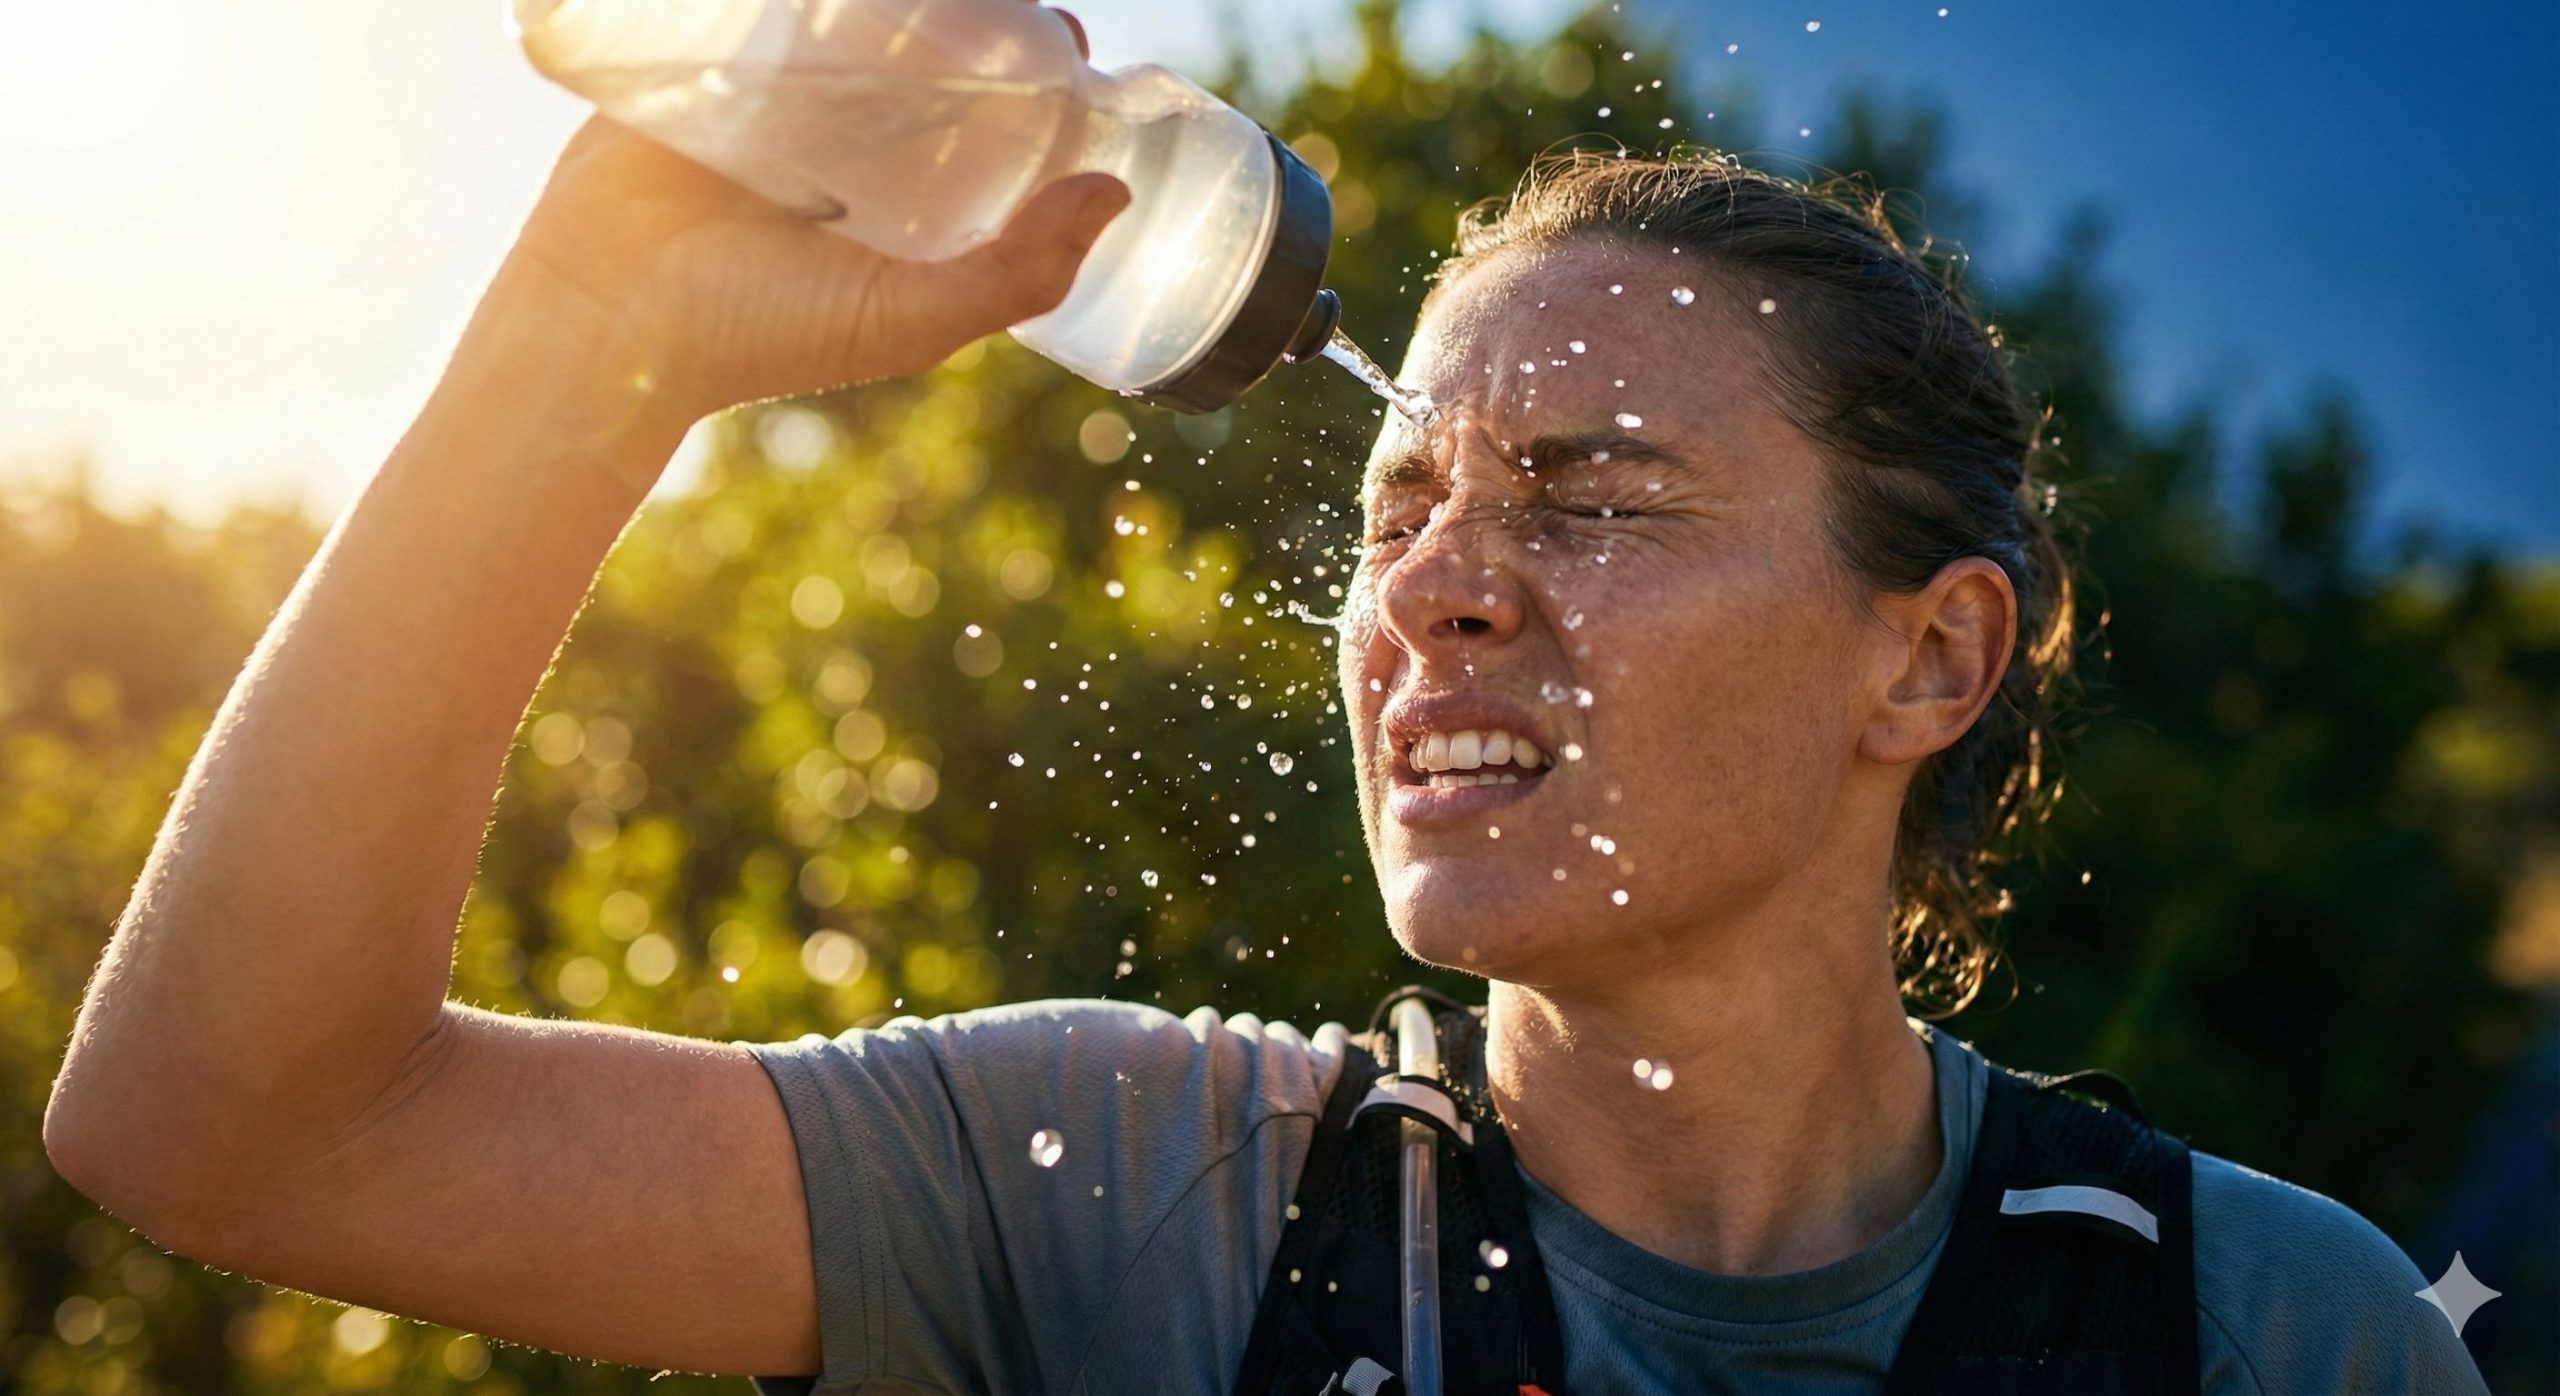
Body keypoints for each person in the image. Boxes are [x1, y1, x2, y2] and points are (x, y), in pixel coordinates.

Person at [43, 33, 2486, 1394]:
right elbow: (231, 1126)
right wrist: (584, 352)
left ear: (1925, 656)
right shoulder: (1141, 1195)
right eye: (1404, 502)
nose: (1432, 584)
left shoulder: (2271, 1329)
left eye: (1592, 494)